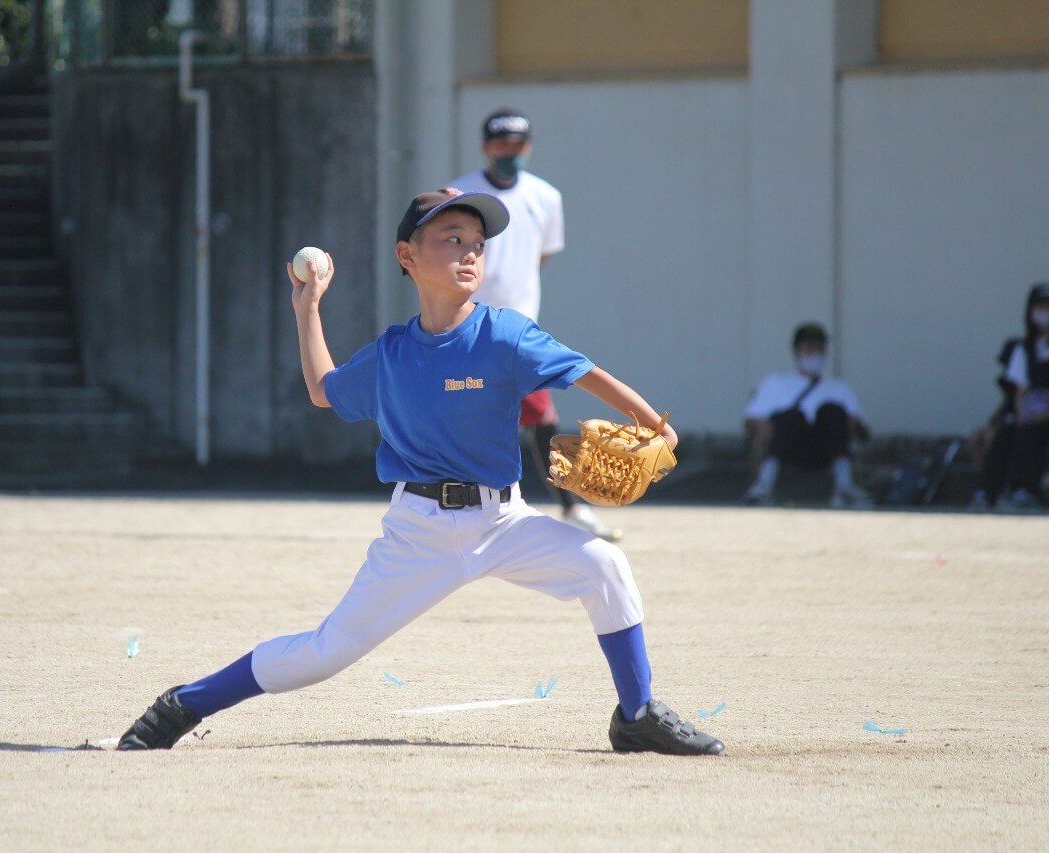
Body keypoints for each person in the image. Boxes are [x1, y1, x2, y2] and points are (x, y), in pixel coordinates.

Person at [117, 188, 724, 756]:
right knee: (325, 654)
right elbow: (326, 392)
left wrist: (654, 423)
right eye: (452, 238)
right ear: (407, 255)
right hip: (419, 532)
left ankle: (637, 713)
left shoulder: (504, 334)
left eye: (479, 244)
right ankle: (182, 704)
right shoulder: (392, 354)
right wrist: (308, 310)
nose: (470, 252)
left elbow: (585, 371)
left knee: (604, 565)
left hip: (504, 520)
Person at [449, 109, 619, 542]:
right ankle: (460, 505)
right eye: (502, 143)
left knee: (542, 417)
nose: (510, 152)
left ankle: (572, 506)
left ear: (529, 147)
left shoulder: (546, 197)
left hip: (520, 328)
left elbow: (541, 256)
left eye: (518, 144)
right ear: (486, 146)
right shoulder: (462, 192)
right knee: (465, 413)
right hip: (466, 323)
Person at [742, 322, 873, 508]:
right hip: (789, 446)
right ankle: (764, 485)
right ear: (797, 351)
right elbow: (750, 418)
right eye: (809, 348)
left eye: (819, 348)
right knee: (791, 416)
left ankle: (844, 486)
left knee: (831, 410)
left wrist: (852, 423)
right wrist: (762, 425)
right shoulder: (776, 382)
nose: (815, 354)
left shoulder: (838, 387)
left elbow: (864, 430)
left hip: (826, 448)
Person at [998, 281, 1049, 511]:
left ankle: (1028, 490)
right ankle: (1000, 491)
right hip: (1031, 417)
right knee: (1011, 429)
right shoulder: (1024, 348)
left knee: (1036, 430)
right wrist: (1022, 418)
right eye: (1040, 308)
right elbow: (1020, 391)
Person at [966, 337, 1021, 509]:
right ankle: (985, 480)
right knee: (975, 437)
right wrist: (995, 417)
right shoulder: (1007, 381)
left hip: (1019, 425)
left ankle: (997, 485)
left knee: (994, 438)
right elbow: (1005, 403)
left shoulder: (1030, 377)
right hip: (1005, 420)